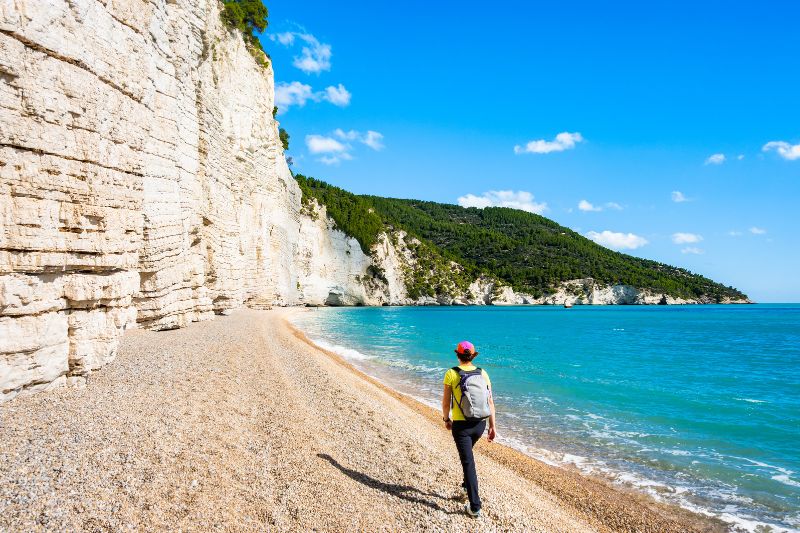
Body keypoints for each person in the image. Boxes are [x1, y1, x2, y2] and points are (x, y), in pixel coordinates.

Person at [441, 340, 496, 517]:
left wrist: (446, 419)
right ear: (472, 356)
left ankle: (475, 507)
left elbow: (446, 402)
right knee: (468, 457)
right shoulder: (483, 373)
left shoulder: (451, 373)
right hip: (480, 424)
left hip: (461, 426)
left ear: (457, 355)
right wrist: (492, 426)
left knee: (468, 463)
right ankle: (465, 486)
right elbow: (490, 402)